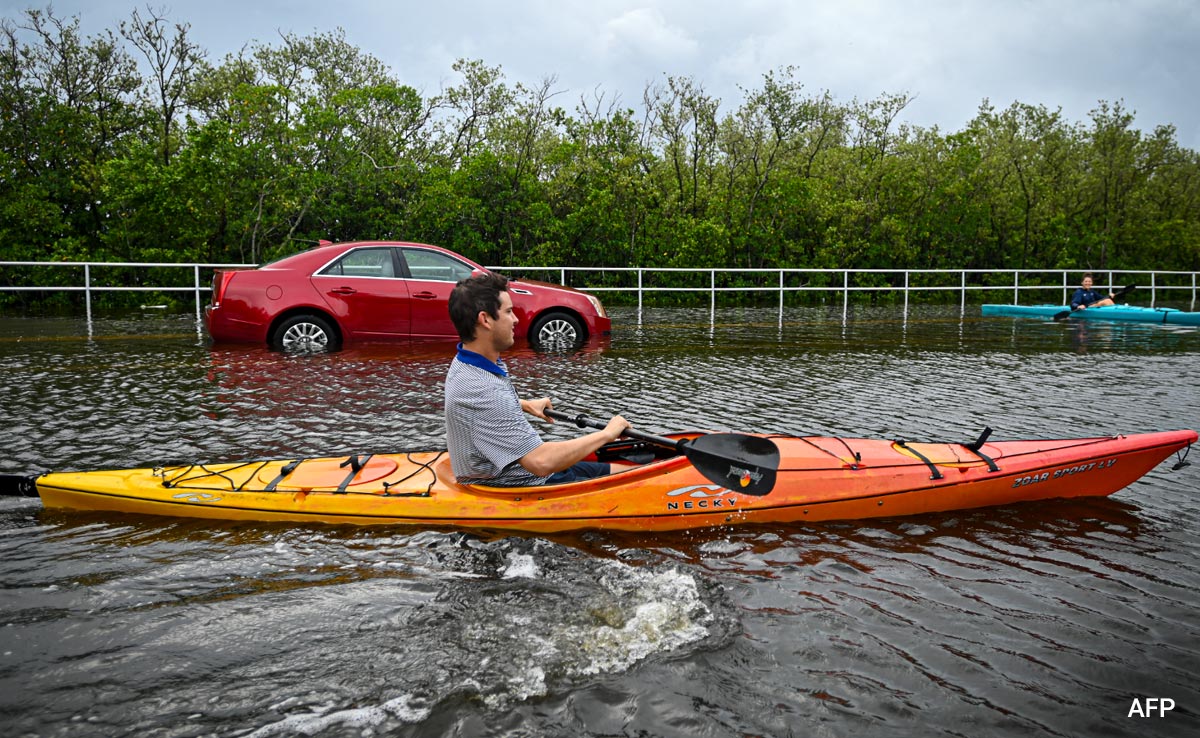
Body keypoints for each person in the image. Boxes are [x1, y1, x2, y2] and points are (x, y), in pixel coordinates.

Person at [443, 272, 631, 486]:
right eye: (509, 312)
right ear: (485, 319)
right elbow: (539, 462)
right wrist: (607, 434)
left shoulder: (465, 362)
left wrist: (521, 404)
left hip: (523, 471)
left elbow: (478, 408)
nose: (515, 319)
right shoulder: (483, 390)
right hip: (525, 483)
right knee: (635, 479)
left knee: (632, 469)